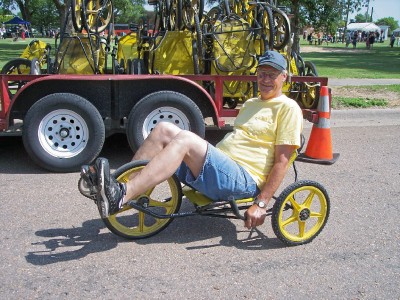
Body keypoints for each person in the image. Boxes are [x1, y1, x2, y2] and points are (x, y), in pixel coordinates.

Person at [80, 50, 303, 229]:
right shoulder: (251, 104)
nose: (265, 79)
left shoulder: (288, 108)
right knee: (163, 129)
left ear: (284, 77)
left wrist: (262, 204)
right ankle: (120, 188)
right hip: (222, 169)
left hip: (243, 179)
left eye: (272, 75)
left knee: (185, 139)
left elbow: (282, 162)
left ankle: (121, 196)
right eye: (262, 73)